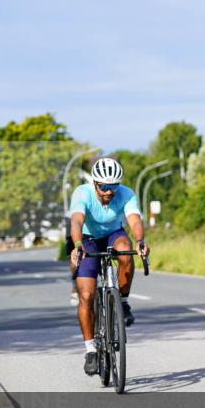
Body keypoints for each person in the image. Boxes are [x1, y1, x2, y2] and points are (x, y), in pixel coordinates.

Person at [68, 157, 150, 376]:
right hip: (86, 238)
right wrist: (77, 245)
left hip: (113, 234)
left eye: (114, 186)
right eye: (104, 186)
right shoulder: (82, 193)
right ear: (95, 183)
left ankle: (122, 302)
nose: (109, 192)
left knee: (125, 249)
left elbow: (133, 220)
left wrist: (140, 241)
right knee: (87, 294)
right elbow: (76, 221)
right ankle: (91, 350)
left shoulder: (126, 193)